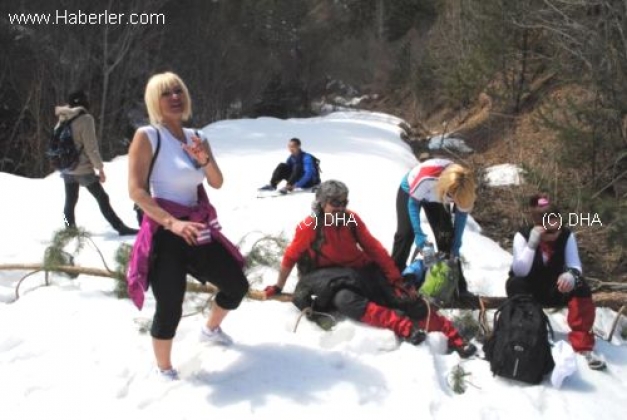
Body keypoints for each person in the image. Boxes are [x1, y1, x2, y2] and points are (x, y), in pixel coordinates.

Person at [264, 180, 476, 358]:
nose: (339, 207)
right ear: (320, 204)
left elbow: (374, 250)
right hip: (332, 282)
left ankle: (456, 339)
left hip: (361, 272)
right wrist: (278, 285)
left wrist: (394, 279)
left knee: (405, 298)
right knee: (346, 301)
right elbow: (290, 257)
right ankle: (403, 327)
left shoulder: (351, 220)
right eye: (334, 203)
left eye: (343, 202)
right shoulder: (308, 227)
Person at [127, 72, 249, 380]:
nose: (174, 97)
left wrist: (204, 159)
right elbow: (136, 191)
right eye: (166, 93)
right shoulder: (148, 136)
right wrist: (171, 223)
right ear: (155, 100)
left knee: (236, 284)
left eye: (178, 90)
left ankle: (211, 330)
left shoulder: (197, 136)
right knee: (170, 304)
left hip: (197, 226)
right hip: (165, 231)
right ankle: (163, 369)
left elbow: (217, 182)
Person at [506, 194, 606, 370]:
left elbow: (575, 265)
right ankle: (527, 332)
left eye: (558, 228)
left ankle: (582, 343)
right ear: (538, 227)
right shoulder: (522, 235)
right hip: (529, 291)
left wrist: (570, 276)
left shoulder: (567, 236)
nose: (556, 234)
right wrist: (532, 245)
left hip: (555, 288)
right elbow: (520, 270)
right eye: (550, 231)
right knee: (514, 283)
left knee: (580, 285)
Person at [55, 90, 138, 235]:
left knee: (70, 201)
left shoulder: (62, 119)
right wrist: (100, 168)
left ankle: (69, 228)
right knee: (102, 197)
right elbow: (91, 147)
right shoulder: (86, 119)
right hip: (82, 169)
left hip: (67, 168)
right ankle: (120, 227)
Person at [391, 158, 476, 297]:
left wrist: (456, 244)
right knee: (405, 234)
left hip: (437, 198)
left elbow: (461, 218)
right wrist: (419, 234)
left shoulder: (465, 189)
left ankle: (458, 287)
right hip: (411, 192)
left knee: (446, 238)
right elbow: (412, 204)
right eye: (452, 198)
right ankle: (392, 279)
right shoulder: (428, 177)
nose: (454, 202)